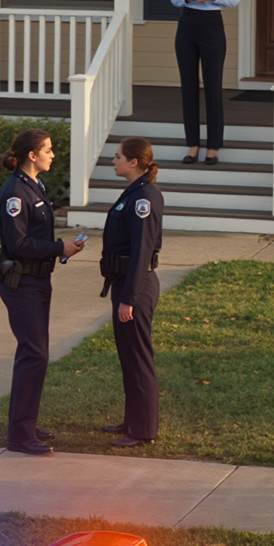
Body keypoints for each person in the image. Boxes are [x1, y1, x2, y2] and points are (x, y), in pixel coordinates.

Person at [0, 128, 84, 456]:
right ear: (32, 156)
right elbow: (18, 244)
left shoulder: (34, 185)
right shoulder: (16, 193)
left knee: (35, 353)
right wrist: (60, 245)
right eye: (47, 150)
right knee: (35, 353)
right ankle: (20, 435)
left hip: (38, 280)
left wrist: (60, 250)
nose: (52, 154)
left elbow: (35, 238)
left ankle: (26, 423)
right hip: (23, 284)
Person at [99, 137, 164, 448]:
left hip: (135, 286)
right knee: (128, 356)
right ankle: (132, 420)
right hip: (124, 282)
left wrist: (129, 298)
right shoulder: (134, 192)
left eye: (117, 157)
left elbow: (141, 251)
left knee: (139, 358)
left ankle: (144, 430)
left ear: (133, 162)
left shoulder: (144, 198)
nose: (114, 161)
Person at [170, 0, 241, 166]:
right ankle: (193, 145)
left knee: (212, 86)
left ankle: (213, 147)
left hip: (211, 25)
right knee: (188, 86)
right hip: (187, 24)